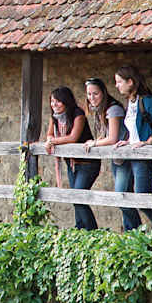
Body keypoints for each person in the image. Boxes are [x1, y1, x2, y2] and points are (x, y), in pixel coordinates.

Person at [45, 86, 100, 230]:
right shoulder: (54, 117)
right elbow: (49, 134)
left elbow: (73, 137)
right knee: (75, 197)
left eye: (58, 101)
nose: (54, 105)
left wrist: (52, 142)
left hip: (87, 163)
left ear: (66, 101)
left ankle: (92, 231)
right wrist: (49, 139)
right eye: (52, 101)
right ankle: (80, 229)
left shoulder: (78, 114)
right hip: (71, 163)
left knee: (78, 197)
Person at [113, 65, 152, 230]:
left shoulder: (147, 100)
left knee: (142, 197)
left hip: (144, 157)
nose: (117, 85)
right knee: (126, 196)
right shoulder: (130, 102)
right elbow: (134, 129)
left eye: (119, 82)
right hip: (133, 155)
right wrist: (128, 140)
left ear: (130, 82)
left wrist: (148, 142)